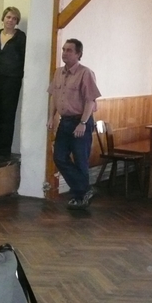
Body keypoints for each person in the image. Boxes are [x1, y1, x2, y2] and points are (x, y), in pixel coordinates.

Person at [47, 38, 101, 210]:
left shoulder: (85, 73)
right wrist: (51, 117)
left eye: (69, 50)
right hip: (65, 122)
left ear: (78, 54)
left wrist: (83, 123)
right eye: (64, 49)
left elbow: (90, 100)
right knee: (59, 157)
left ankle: (79, 197)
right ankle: (85, 190)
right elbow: (53, 97)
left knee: (80, 160)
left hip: (81, 121)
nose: (64, 53)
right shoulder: (58, 73)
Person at [0, 7, 27, 157]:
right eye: (8, 17)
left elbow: (23, 59)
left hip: (12, 79)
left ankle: (4, 150)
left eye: (14, 18)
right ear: (3, 18)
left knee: (8, 114)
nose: (10, 20)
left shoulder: (21, 37)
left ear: (17, 21)